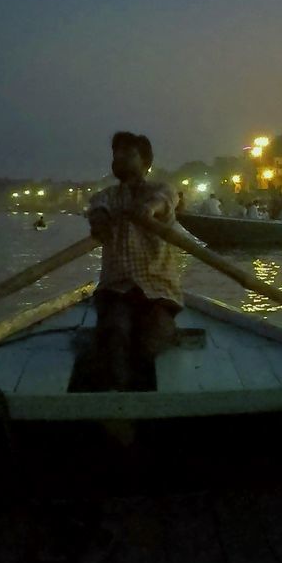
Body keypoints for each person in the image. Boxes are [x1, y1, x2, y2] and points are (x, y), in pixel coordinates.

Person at [83, 131, 182, 391]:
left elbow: (165, 201)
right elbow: (97, 206)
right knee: (114, 334)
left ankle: (145, 404)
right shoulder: (107, 197)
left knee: (149, 342)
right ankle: (117, 406)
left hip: (158, 292)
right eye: (117, 153)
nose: (120, 157)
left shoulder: (160, 191)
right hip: (116, 291)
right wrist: (100, 220)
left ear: (146, 162)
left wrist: (148, 210)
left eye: (129, 153)